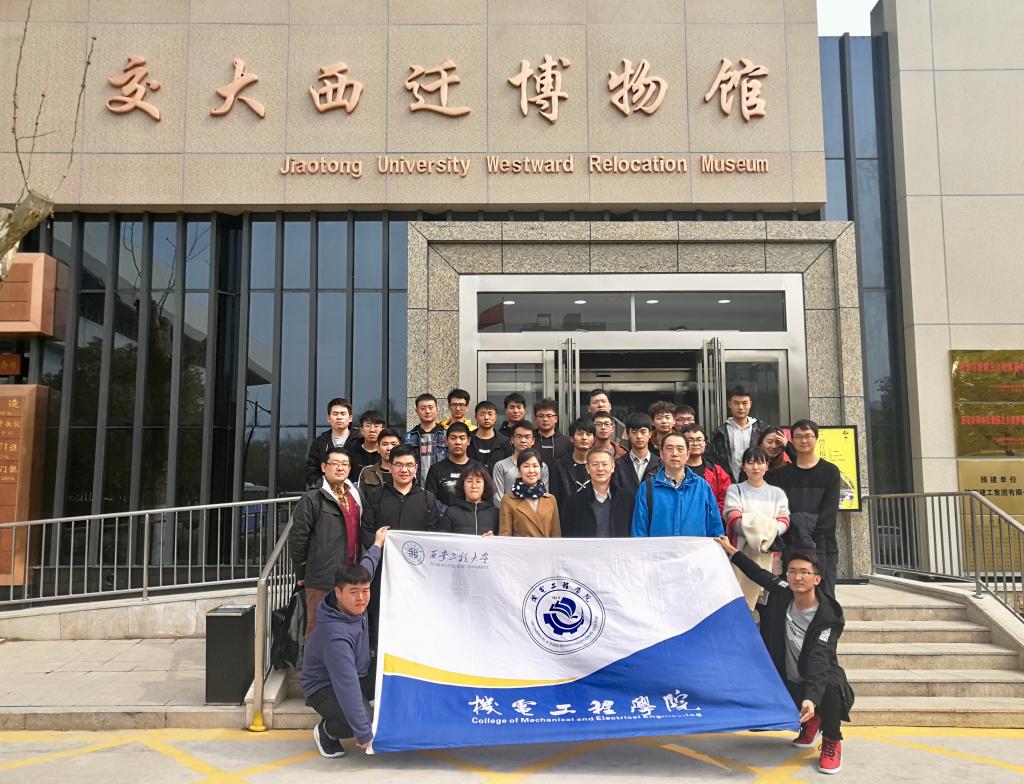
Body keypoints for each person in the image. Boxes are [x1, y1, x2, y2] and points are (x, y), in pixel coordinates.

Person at [715, 538, 853, 775]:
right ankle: (812, 720)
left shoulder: (828, 616)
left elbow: (820, 658)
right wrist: (731, 551)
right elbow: (758, 574)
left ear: (817, 579)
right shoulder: (783, 592)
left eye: (804, 572)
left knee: (830, 685)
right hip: (786, 676)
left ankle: (831, 739)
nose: (797, 577)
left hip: (816, 677)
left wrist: (811, 698)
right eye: (792, 571)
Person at [301, 524, 389, 759]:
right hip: (324, 686)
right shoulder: (335, 636)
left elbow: (367, 567)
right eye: (354, 592)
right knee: (362, 722)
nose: (361, 598)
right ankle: (326, 731)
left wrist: (378, 544)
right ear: (338, 593)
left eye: (365, 591)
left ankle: (364, 710)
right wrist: (363, 732)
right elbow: (346, 685)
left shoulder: (353, 598)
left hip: (356, 672)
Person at [290, 447, 363, 642]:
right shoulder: (313, 498)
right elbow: (298, 537)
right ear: (324, 467)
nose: (340, 468)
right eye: (335, 463)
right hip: (322, 577)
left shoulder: (355, 496)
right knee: (317, 629)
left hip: (351, 575)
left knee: (347, 630)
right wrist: (301, 572)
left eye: (345, 464)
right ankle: (314, 664)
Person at [767, 419, 842, 597]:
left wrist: (807, 534)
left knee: (824, 597)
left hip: (823, 544)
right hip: (791, 545)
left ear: (816, 438)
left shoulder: (830, 471)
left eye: (808, 436)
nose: (804, 440)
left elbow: (829, 512)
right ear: (792, 441)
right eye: (798, 436)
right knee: (791, 597)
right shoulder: (782, 475)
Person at [724, 446, 791, 609]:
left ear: (767, 466)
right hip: (740, 554)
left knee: (768, 605)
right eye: (750, 463)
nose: (755, 467)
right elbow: (733, 519)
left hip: (770, 556)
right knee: (741, 604)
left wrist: (764, 535)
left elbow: (784, 520)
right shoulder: (735, 490)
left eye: (760, 462)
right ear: (743, 467)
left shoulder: (777, 493)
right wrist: (765, 530)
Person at [631, 432, 723, 538]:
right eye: (669, 449)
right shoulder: (647, 488)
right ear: (661, 454)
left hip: (694, 548)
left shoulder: (702, 487)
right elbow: (639, 531)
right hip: (659, 549)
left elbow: (715, 528)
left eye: (680, 449)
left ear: (687, 454)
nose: (675, 454)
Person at [562, 447, 632, 538]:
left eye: (604, 464)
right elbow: (568, 538)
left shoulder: (628, 500)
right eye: (595, 464)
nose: (600, 468)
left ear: (612, 467)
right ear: (587, 468)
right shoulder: (573, 502)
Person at [711, 385, 770, 482]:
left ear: (750, 404)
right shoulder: (720, 432)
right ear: (729, 404)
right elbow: (714, 460)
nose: (741, 407)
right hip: (728, 483)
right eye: (736, 403)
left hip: (758, 482)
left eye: (744, 403)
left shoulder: (762, 429)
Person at [498, 449, 561, 537]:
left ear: (540, 469)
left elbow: (556, 536)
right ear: (519, 470)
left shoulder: (550, 499)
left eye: (535, 466)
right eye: (526, 466)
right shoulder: (508, 500)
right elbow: (505, 537)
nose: (531, 470)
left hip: (545, 546)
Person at [425, 422, 481, 510]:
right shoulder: (436, 469)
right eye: (453, 438)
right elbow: (430, 500)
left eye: (462, 438)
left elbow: (487, 498)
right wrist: (449, 514)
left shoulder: (479, 468)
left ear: (469, 441)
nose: (458, 442)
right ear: (446, 441)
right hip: (443, 517)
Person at [491, 420, 551, 504]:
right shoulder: (501, 466)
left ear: (533, 441)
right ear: (512, 439)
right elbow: (498, 498)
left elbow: (544, 495)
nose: (523, 440)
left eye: (527, 437)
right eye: (519, 436)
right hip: (508, 510)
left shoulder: (541, 466)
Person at [304, 398, 357, 489]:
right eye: (335, 414)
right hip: (325, 492)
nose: (339, 417)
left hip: (354, 491)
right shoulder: (320, 442)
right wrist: (324, 487)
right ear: (329, 418)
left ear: (350, 418)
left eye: (343, 414)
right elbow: (311, 470)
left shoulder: (360, 440)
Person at [682, 423, 731, 517]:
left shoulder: (717, 471)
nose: (695, 443)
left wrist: (712, 515)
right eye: (690, 440)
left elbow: (725, 499)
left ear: (705, 442)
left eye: (699, 440)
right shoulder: (676, 470)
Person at [439, 465, 499, 536]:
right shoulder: (451, 513)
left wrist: (494, 539)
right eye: (469, 481)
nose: (474, 486)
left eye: (478, 481)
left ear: (485, 485)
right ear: (462, 485)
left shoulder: (495, 514)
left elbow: (504, 539)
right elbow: (440, 539)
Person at [550, 418, 595, 508]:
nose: (584, 438)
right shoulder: (560, 466)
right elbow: (555, 498)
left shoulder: (599, 465)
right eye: (580, 434)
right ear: (571, 438)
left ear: (594, 439)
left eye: (588, 434)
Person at [614, 412, 661, 497]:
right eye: (634, 432)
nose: (639, 436)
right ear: (627, 434)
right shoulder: (617, 465)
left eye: (643, 432)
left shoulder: (661, 464)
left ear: (650, 434)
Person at [404, 393, 447, 486]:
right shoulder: (407, 438)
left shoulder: (447, 436)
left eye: (431, 407)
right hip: (415, 487)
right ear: (416, 411)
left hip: (441, 487)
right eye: (423, 408)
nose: (427, 411)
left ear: (437, 409)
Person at [357, 427, 401, 500]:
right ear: (378, 448)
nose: (389, 448)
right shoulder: (367, 471)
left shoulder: (406, 472)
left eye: (394, 444)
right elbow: (360, 499)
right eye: (384, 444)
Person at [468, 400, 511, 468]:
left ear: (496, 417)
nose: (486, 418)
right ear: (476, 417)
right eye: (482, 414)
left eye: (490, 414)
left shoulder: (504, 441)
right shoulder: (468, 439)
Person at [533, 398, 571, 467]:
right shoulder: (530, 440)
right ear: (535, 419)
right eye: (541, 416)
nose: (545, 419)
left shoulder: (566, 442)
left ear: (556, 419)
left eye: (549, 416)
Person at [349, 410, 385, 478]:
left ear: (382, 430)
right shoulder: (351, 452)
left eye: (376, 426)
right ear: (361, 430)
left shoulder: (386, 453)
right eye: (368, 426)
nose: (372, 430)